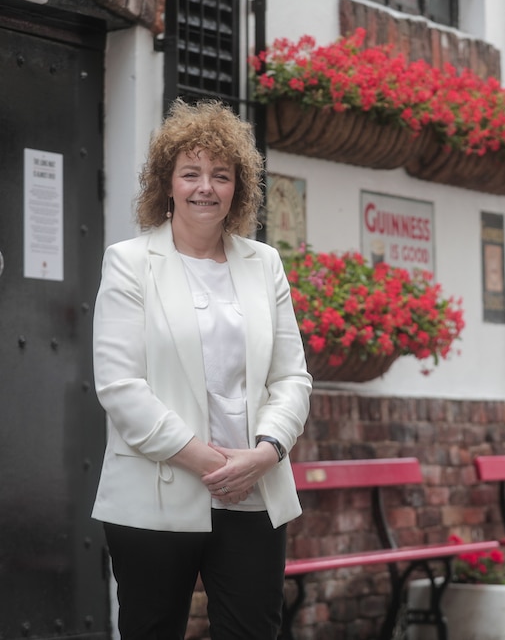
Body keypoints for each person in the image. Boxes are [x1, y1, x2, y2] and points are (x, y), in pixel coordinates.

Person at [92, 98, 312, 639]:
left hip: (255, 491)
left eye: (220, 175)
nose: (205, 187)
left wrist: (264, 454)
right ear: (167, 184)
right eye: (190, 173)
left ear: (239, 186)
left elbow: (292, 378)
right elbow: (121, 387)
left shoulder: (265, 264)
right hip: (156, 489)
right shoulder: (130, 263)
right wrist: (211, 463)